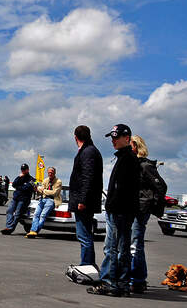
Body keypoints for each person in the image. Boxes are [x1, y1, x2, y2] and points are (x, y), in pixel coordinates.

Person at [88, 124, 140, 297]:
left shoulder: (128, 159)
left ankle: (111, 283)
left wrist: (112, 206)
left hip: (119, 212)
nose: (113, 140)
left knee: (112, 248)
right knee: (121, 248)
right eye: (112, 137)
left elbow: (123, 189)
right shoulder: (125, 158)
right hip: (122, 211)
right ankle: (122, 284)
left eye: (116, 137)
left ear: (127, 138)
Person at [130, 135, 165, 294]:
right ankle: (139, 279)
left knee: (135, 245)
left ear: (136, 146)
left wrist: (152, 206)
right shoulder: (134, 164)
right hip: (134, 209)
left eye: (129, 145)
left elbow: (161, 186)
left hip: (140, 210)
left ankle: (137, 280)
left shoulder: (145, 166)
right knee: (136, 244)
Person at [68, 125, 104, 267]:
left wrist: (82, 200)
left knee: (84, 235)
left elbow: (87, 177)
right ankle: (88, 265)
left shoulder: (88, 152)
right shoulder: (90, 150)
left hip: (84, 202)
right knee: (85, 234)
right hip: (86, 200)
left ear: (75, 137)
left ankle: (87, 265)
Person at [26, 167, 62, 238]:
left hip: (51, 200)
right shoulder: (45, 180)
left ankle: (34, 231)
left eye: (51, 172)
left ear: (55, 173)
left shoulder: (58, 181)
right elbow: (40, 190)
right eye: (49, 172)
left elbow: (54, 193)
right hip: (42, 199)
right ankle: (33, 231)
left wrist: (43, 190)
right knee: (36, 214)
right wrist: (37, 189)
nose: (50, 174)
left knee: (42, 216)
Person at [0, 164, 36, 234]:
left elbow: (27, 188)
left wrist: (18, 187)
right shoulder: (19, 177)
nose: (23, 171)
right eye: (22, 169)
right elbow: (14, 184)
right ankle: (8, 226)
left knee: (17, 214)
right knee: (9, 211)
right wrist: (19, 178)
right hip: (15, 198)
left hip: (24, 199)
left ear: (28, 170)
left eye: (24, 169)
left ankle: (10, 228)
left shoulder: (32, 179)